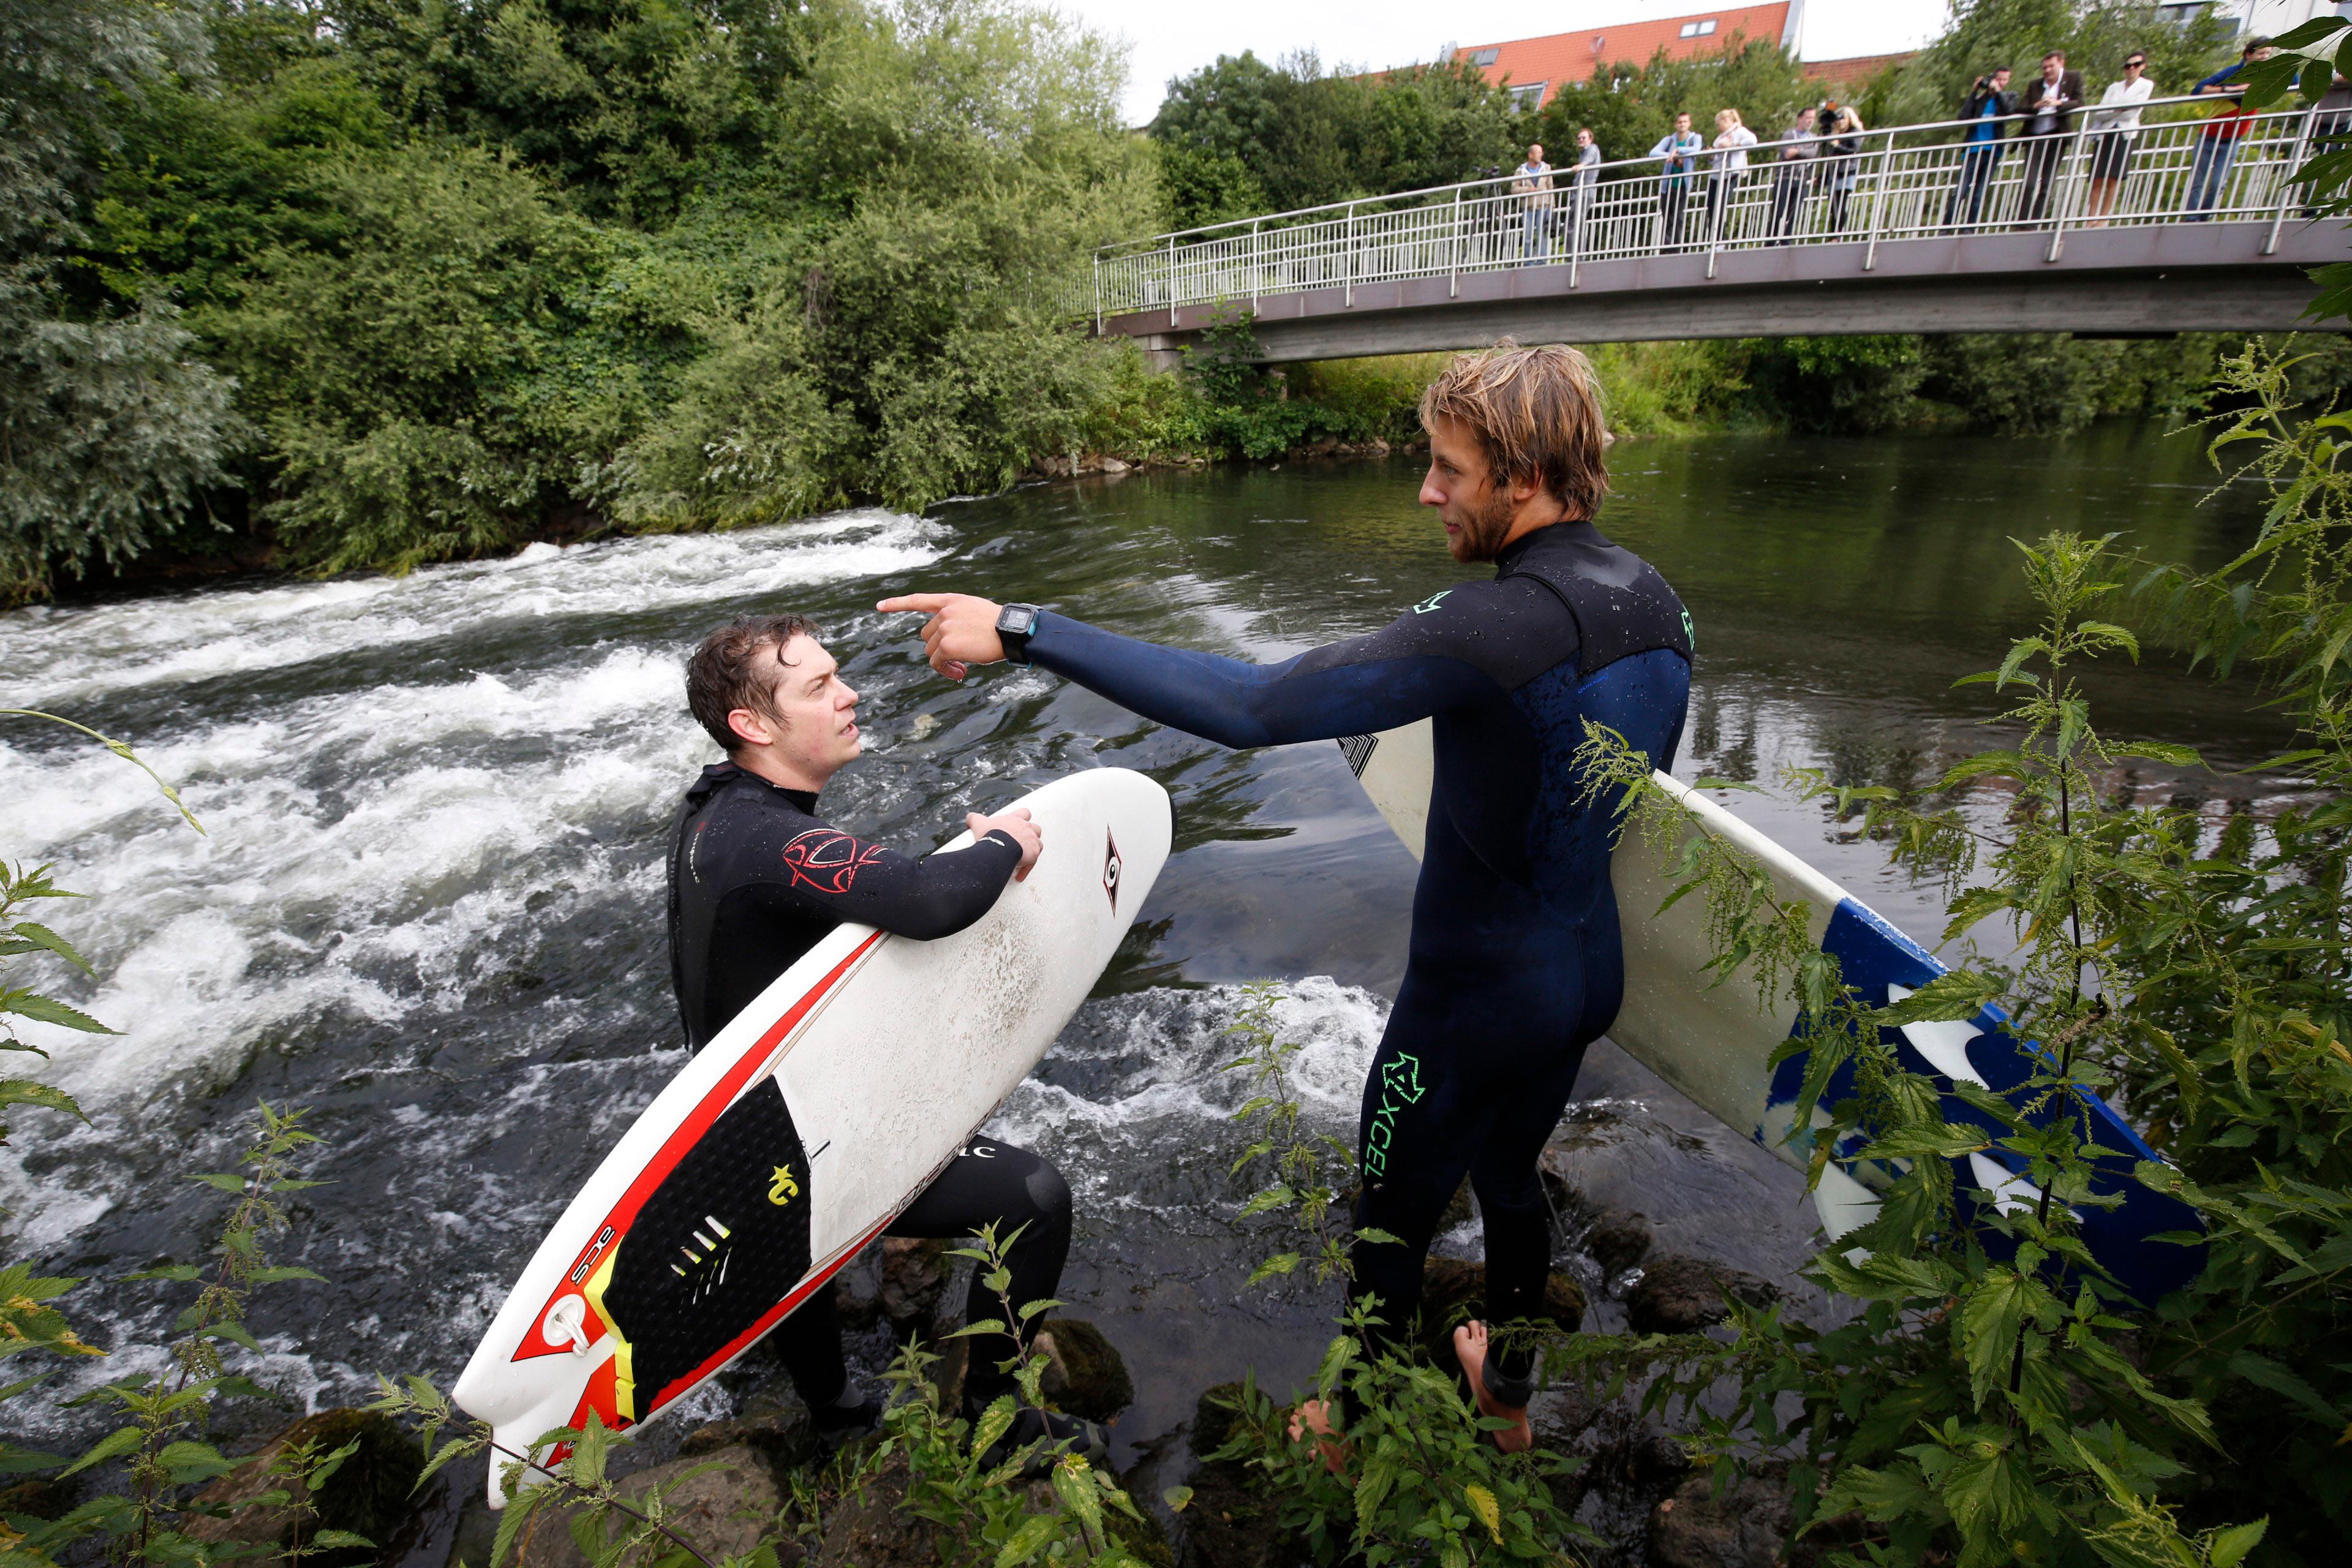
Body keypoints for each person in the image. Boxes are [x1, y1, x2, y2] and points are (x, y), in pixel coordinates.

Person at [876, 342, 1694, 1455]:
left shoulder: (1493, 628)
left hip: (1470, 1003)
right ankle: (1505, 1395)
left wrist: (1027, 629)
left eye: (1449, 470)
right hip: (1584, 974)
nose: (1426, 490)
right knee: (1509, 1178)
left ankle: (1348, 1426)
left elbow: (1257, 706)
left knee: (1391, 1223)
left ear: (1522, 474)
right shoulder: (1655, 601)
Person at [666, 613, 1107, 1467]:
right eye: (819, 686)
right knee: (1034, 1197)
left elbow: (843, 901)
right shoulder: (761, 837)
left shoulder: (714, 813)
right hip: (796, 1147)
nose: (850, 693)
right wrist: (1006, 844)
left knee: (790, 1245)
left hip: (735, 1137)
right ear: (754, 726)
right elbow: (928, 902)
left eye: (838, 676)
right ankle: (997, 1419)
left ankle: (832, 1409)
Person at [2187, 39, 2274, 219]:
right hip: (2209, 136)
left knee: (2219, 183)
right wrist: (2229, 90)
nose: (2265, 57)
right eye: (2261, 54)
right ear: (2249, 55)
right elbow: (2198, 89)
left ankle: (2204, 217)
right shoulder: (2233, 73)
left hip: (2233, 140)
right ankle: (2191, 218)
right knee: (2198, 181)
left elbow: (2296, 81)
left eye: (2268, 54)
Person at [2084, 52, 2154, 226]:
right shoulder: (2114, 87)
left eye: (2136, 65)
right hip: (2105, 133)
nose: (2131, 69)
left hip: (2125, 134)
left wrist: (2114, 111)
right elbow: (2099, 113)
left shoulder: (2146, 85)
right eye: (2128, 66)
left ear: (2143, 66)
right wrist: (2118, 111)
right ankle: (2090, 217)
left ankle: (2103, 217)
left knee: (2114, 178)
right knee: (2097, 176)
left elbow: (2132, 112)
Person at [1943, 67, 2015, 231]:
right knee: (1960, 192)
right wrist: (1974, 92)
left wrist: (1998, 92)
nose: (2002, 83)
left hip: (1992, 152)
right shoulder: (1981, 100)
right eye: (1999, 79)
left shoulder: (2010, 96)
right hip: (1973, 150)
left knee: (1978, 194)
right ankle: (1946, 228)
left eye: (2005, 80)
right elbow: (1963, 116)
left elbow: (2009, 110)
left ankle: (1969, 229)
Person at [2016, 51, 2083, 227]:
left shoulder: (2073, 78)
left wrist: (2058, 104)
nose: (2047, 70)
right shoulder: (2035, 85)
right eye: (2044, 67)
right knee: (2029, 183)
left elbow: (2080, 102)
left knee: (2047, 183)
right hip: (2035, 137)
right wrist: (2036, 106)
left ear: (2061, 64)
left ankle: (2035, 223)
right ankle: (2021, 223)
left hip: (2057, 137)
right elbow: (2021, 108)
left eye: (2051, 66)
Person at [1650, 111, 1705, 248]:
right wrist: (1672, 155)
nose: (1682, 125)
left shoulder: (1694, 138)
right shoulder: (1669, 140)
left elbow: (1697, 149)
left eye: (1685, 122)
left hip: (1683, 184)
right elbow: (1653, 153)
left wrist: (1678, 150)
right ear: (1676, 124)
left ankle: (1675, 246)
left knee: (1678, 216)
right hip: (1668, 184)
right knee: (1667, 216)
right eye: (1680, 122)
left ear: (1690, 123)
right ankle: (1667, 246)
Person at [1706, 108, 1757, 242]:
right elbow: (1717, 158)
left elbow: (1752, 141)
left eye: (1719, 124)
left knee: (1721, 205)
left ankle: (1721, 240)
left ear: (1726, 120)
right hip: (1717, 174)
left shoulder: (1739, 131)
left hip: (1730, 173)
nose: (1719, 127)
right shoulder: (1719, 138)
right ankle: (1714, 238)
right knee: (1711, 205)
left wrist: (1733, 145)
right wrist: (1711, 155)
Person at [1770, 105, 1818, 242]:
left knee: (1795, 212)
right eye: (1808, 118)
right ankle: (1771, 240)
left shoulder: (1813, 137)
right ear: (1800, 118)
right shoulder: (1790, 135)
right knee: (1779, 211)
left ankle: (1787, 239)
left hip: (1801, 179)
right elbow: (1786, 153)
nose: (1810, 121)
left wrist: (1798, 151)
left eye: (1812, 118)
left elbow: (1813, 154)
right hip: (1785, 178)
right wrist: (1802, 153)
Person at [1819, 103, 1866, 233]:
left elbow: (1854, 150)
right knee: (1833, 207)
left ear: (1850, 119)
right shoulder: (1836, 134)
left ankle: (1837, 234)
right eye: (1839, 118)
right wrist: (1822, 178)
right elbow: (1830, 158)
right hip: (1835, 174)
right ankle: (1833, 234)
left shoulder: (1854, 132)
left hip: (1846, 172)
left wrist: (1837, 146)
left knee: (1840, 205)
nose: (1840, 121)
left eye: (1843, 118)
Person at [1510, 143, 1555, 262]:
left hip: (1543, 206)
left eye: (1541, 152)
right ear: (1531, 155)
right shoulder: (1521, 170)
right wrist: (1527, 190)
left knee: (1541, 234)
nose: (1541, 155)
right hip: (1528, 208)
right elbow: (1514, 189)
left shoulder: (1546, 168)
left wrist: (1552, 207)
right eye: (1538, 152)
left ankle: (1542, 261)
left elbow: (1551, 187)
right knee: (1528, 236)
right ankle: (1528, 262)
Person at [1569, 127, 1602, 246]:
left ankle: (1576, 255)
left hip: (1585, 193)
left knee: (1577, 223)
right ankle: (1574, 254)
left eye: (1584, 138)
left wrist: (1581, 165)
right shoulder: (1582, 153)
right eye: (1579, 138)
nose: (1581, 140)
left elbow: (1590, 158)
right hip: (1579, 193)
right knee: (1574, 223)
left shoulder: (1592, 148)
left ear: (1590, 139)